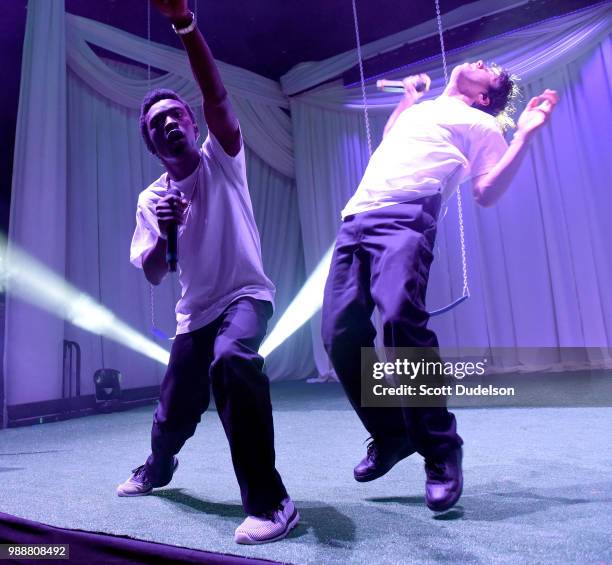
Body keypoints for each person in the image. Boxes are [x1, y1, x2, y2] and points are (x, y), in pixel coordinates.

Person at [322, 61, 558, 511]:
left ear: (485, 97)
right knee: (338, 334)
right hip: (355, 219)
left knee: (398, 319)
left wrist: (525, 132)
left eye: (489, 70)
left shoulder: (482, 124)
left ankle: (441, 449)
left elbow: (486, 191)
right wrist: (407, 99)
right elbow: (392, 136)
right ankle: (391, 436)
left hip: (408, 217)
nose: (480, 63)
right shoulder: (422, 110)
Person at [117, 0, 299, 545]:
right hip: (193, 314)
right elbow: (154, 272)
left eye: (177, 115)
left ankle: (272, 503)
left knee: (233, 360)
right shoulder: (152, 199)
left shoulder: (223, 157)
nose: (170, 122)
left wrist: (184, 23)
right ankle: (159, 465)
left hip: (246, 295)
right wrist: (168, 231)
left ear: (193, 124)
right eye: (158, 123)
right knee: (173, 416)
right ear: (152, 145)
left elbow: (217, 94)